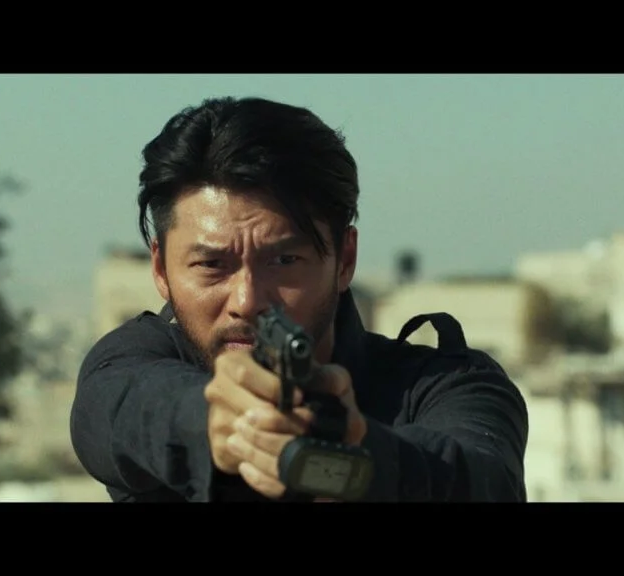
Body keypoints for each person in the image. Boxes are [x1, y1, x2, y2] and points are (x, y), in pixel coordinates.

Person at [70, 96, 529, 502]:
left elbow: (484, 479)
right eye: (211, 265)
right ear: (160, 269)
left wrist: (357, 459)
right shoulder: (134, 361)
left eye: (284, 260)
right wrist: (214, 423)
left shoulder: (445, 386)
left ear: (345, 259)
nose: (248, 300)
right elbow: (115, 410)